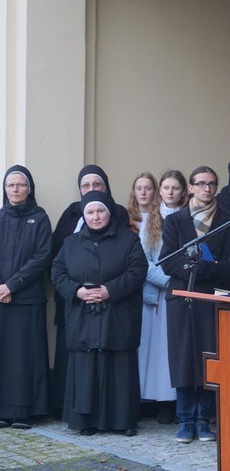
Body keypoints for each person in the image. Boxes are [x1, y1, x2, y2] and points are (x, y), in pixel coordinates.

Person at [51, 190, 147, 437]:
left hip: (118, 315)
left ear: (110, 213)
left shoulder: (129, 240)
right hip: (83, 314)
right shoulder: (71, 243)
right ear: (84, 215)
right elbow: (57, 272)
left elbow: (137, 271)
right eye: (90, 212)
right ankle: (86, 421)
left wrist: (108, 291)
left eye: (100, 211)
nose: (96, 217)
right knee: (86, 366)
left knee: (118, 366)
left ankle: (122, 421)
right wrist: (77, 291)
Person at [159, 166, 230, 444]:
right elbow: (167, 261)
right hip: (181, 296)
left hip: (210, 296)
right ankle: (184, 420)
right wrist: (193, 266)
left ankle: (204, 419)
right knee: (182, 360)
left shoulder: (228, 220)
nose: (207, 189)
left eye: (212, 184)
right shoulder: (175, 221)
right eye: (201, 184)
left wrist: (205, 268)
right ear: (190, 187)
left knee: (208, 358)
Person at [50, 165, 130, 417]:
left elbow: (126, 261)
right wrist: (76, 290)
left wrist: (106, 290)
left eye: (97, 185)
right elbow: (57, 259)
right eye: (86, 186)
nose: (91, 190)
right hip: (76, 300)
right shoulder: (70, 215)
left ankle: (111, 414)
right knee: (76, 357)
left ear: (106, 187)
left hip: (112, 303)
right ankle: (71, 409)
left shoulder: (117, 214)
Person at [0, 165, 53, 429]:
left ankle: (24, 412)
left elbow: (42, 257)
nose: (15, 189)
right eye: (11, 185)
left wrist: (12, 285)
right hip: (1, 298)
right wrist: (2, 288)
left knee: (25, 357)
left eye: (21, 185)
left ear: (29, 188)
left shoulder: (40, 218)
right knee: (4, 356)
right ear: (5, 189)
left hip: (28, 298)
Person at [129, 172, 180, 424]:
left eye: (175, 188)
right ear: (160, 191)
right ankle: (148, 401)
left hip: (178, 295)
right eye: (166, 188)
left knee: (170, 352)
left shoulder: (186, 217)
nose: (170, 192)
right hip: (156, 294)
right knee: (150, 351)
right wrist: (168, 280)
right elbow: (143, 259)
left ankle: (169, 403)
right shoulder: (152, 220)